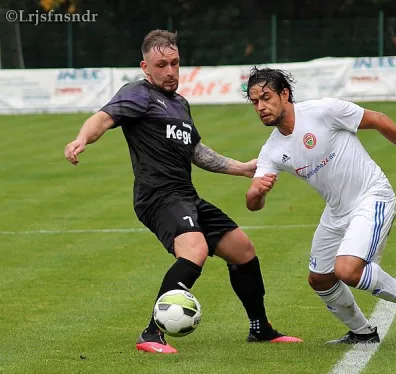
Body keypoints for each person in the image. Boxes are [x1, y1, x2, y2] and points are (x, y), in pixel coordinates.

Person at [64, 31, 302, 354]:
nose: (170, 71)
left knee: (243, 250)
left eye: (175, 63)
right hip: (156, 196)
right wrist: (81, 139)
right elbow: (104, 118)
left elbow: (197, 152)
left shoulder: (180, 104)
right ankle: (151, 333)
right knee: (194, 249)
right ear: (145, 67)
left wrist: (242, 168)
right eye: (161, 64)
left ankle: (260, 328)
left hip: (185, 195)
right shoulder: (138, 94)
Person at [244, 67, 396, 344]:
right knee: (320, 278)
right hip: (337, 211)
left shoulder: (323, 110)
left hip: (372, 196)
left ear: (285, 94)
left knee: (347, 271)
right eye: (255, 102)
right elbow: (253, 203)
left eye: (266, 97)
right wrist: (257, 192)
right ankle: (363, 333)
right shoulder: (271, 150)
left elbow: (379, 120)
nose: (261, 107)